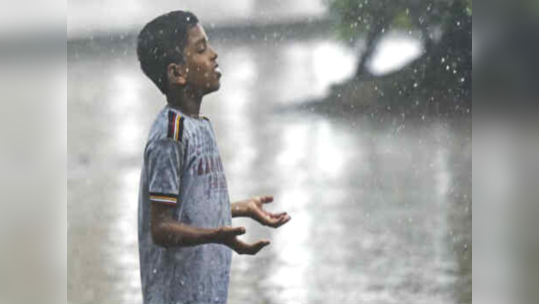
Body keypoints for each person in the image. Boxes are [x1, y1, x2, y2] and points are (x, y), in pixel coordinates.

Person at [136, 10, 291, 304]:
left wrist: (239, 208)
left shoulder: (200, 126)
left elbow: (189, 208)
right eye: (201, 49)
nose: (214, 55)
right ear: (177, 73)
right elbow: (161, 228)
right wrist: (216, 235)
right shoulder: (171, 134)